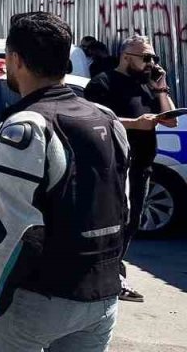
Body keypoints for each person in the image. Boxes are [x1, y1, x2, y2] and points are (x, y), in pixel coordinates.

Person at [0, 12, 130, 351]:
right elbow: (122, 210)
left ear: (15, 60)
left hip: (37, 301)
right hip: (102, 296)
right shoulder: (109, 119)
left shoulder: (25, 127)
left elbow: (20, 231)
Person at [82, 34, 177, 304]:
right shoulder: (103, 83)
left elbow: (169, 120)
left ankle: (112, 272)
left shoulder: (146, 84)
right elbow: (95, 120)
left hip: (142, 165)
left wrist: (161, 88)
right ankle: (107, 275)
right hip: (115, 165)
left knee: (133, 220)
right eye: (146, 58)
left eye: (154, 58)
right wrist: (136, 123)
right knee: (113, 221)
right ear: (126, 57)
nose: (151, 63)